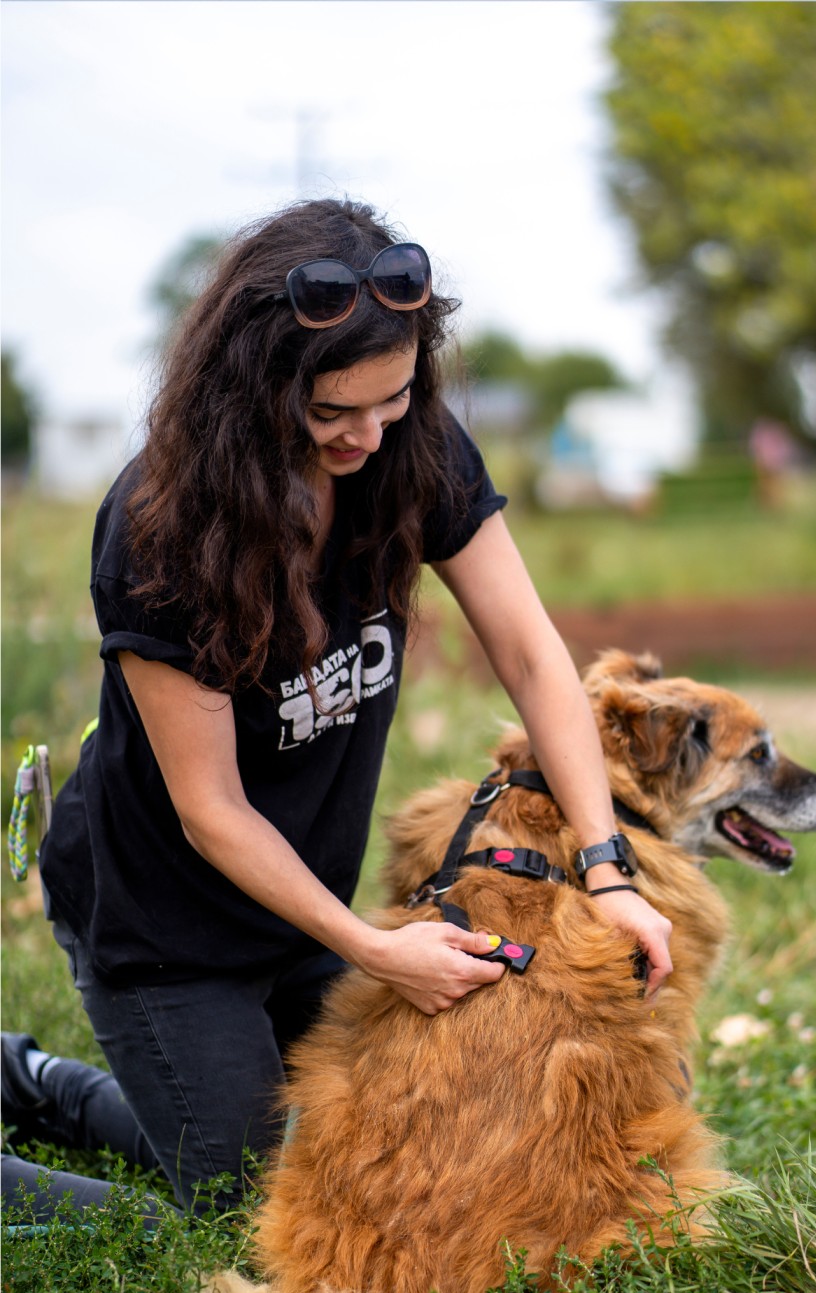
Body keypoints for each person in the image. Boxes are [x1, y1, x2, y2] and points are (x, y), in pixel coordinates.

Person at [3, 198, 672, 1218]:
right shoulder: (161, 527)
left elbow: (537, 660)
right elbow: (211, 808)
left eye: (393, 398)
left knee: (377, 1142)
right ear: (255, 390)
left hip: (297, 895)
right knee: (247, 1210)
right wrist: (376, 947)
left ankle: (37, 1081)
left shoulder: (413, 450)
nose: (366, 434)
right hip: (160, 916)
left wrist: (606, 865)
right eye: (329, 414)